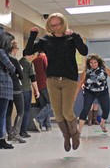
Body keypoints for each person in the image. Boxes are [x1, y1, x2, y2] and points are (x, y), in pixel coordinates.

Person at [25, 12, 88, 152]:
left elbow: (84, 52)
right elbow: (27, 51)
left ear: (63, 23)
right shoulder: (46, 40)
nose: (55, 28)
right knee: (58, 114)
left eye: (57, 24)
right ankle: (66, 136)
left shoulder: (71, 38)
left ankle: (75, 133)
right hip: (52, 80)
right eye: (52, 25)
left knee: (67, 111)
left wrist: (76, 36)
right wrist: (33, 35)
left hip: (69, 80)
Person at [75, 54, 110, 133]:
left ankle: (102, 124)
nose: (93, 64)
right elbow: (80, 83)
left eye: (95, 62)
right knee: (86, 109)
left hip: (103, 92)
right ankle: (79, 130)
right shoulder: (86, 71)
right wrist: (75, 95)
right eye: (91, 63)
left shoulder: (104, 69)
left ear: (98, 62)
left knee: (106, 110)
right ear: (89, 63)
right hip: (89, 92)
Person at [0, 32, 16, 149]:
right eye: (11, 43)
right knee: (2, 113)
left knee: (3, 112)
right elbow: (11, 67)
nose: (11, 45)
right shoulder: (1, 52)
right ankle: (1, 138)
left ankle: (1, 137)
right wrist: (9, 67)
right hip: (2, 85)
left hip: (1, 84)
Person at [6, 41, 26, 143]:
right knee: (20, 111)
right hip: (17, 89)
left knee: (8, 112)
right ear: (14, 50)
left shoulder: (4, 59)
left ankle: (9, 134)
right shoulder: (14, 60)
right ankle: (16, 134)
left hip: (7, 89)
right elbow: (21, 75)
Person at [19, 50, 40, 138]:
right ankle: (23, 131)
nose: (32, 57)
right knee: (26, 110)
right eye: (32, 54)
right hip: (26, 89)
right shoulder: (29, 64)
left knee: (20, 111)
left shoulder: (18, 62)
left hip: (18, 90)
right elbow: (33, 78)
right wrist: (37, 91)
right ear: (28, 55)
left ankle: (17, 130)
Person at [32, 51, 53, 132]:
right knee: (50, 104)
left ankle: (48, 126)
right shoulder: (44, 58)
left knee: (44, 105)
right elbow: (48, 71)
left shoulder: (33, 61)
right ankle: (38, 119)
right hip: (45, 84)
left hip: (37, 87)